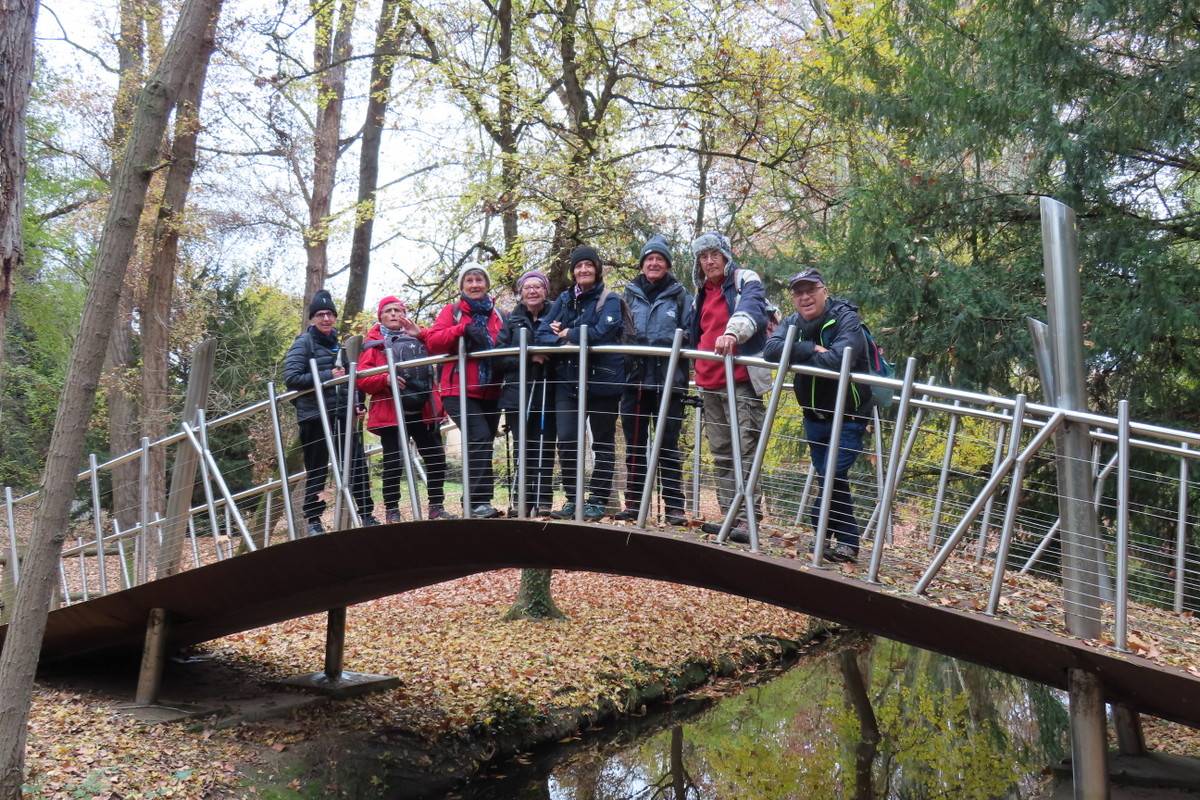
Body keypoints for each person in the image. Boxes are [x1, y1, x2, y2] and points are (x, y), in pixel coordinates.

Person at [763, 268, 873, 563]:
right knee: (831, 479)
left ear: (824, 290)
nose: (805, 297)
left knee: (831, 475)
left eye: (810, 290)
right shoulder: (793, 322)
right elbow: (771, 351)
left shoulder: (846, 317)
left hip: (849, 415)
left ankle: (824, 531)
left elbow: (840, 358)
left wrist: (797, 355)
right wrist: (810, 347)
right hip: (814, 417)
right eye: (798, 292)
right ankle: (845, 542)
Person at [684, 231, 768, 542]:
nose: (708, 261)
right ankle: (729, 516)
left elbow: (752, 310)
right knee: (721, 453)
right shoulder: (701, 293)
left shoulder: (744, 280)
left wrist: (732, 334)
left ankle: (747, 519)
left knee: (744, 450)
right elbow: (697, 332)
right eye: (703, 257)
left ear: (725, 255)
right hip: (709, 383)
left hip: (741, 380)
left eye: (713, 254)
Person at [536, 245, 625, 521]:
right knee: (567, 441)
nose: (583, 270)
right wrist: (561, 336)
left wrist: (566, 332)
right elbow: (541, 330)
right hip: (568, 382)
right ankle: (573, 499)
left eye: (588, 265)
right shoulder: (564, 299)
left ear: (597, 268)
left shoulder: (610, 300)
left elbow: (602, 331)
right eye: (578, 266)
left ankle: (597, 500)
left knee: (603, 443)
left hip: (603, 382)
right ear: (572, 271)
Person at [282, 289, 376, 535]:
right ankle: (313, 522)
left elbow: (351, 380)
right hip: (314, 416)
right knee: (318, 469)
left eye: (329, 314)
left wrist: (358, 403)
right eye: (320, 314)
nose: (325, 319)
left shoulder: (340, 346)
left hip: (343, 415)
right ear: (313, 318)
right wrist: (327, 376)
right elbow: (291, 378)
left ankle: (366, 515)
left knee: (356, 463)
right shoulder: (303, 343)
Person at [357, 296, 456, 523]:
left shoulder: (419, 335)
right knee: (393, 462)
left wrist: (420, 334)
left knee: (436, 459)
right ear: (380, 315)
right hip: (391, 413)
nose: (393, 314)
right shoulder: (373, 343)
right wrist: (386, 379)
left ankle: (436, 507)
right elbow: (362, 379)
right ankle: (392, 511)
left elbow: (440, 351)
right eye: (388, 311)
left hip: (424, 410)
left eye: (398, 310)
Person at [419, 265, 506, 518]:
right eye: (469, 280)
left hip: (490, 390)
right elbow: (433, 342)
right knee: (478, 436)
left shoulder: (498, 314)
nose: (475, 284)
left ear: (486, 284)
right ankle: (477, 502)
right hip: (457, 389)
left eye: (479, 279)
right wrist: (462, 330)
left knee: (483, 442)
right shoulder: (453, 311)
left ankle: (476, 501)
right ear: (462, 286)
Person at [616, 234, 691, 525]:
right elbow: (621, 334)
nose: (654, 263)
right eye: (649, 259)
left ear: (668, 265)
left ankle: (674, 507)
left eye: (659, 259)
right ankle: (634, 503)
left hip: (668, 381)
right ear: (642, 264)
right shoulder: (628, 295)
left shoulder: (681, 296)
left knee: (667, 444)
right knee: (635, 445)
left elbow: (690, 334)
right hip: (634, 381)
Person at [495, 269, 557, 516]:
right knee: (523, 446)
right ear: (520, 292)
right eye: (527, 287)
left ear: (545, 290)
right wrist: (529, 357)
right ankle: (522, 499)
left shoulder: (557, 313)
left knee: (544, 445)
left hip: (547, 390)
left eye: (538, 286)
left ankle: (543, 500)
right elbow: (498, 359)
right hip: (516, 393)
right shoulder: (510, 321)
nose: (532, 291)